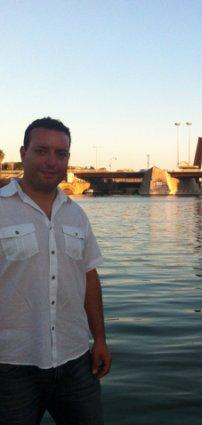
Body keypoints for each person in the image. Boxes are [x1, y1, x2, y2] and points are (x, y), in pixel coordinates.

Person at [0, 117, 111, 424]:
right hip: (10, 366)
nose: (51, 161)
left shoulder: (77, 215)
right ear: (23, 153)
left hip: (75, 362)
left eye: (60, 154)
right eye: (41, 151)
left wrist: (100, 340)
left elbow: (89, 278)